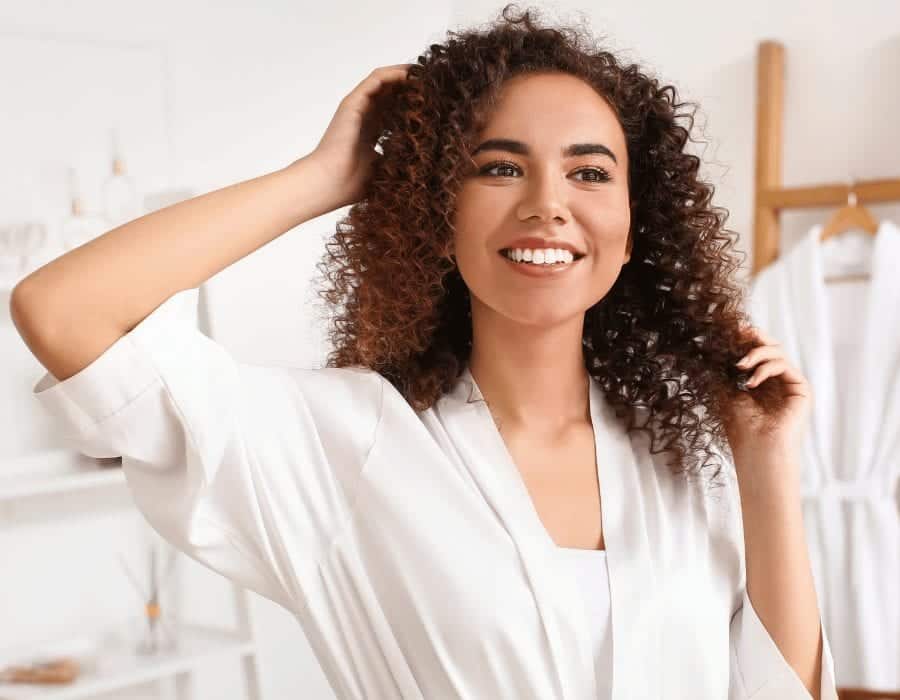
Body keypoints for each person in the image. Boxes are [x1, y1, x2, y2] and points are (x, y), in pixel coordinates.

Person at [12, 5, 838, 699]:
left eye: (589, 174)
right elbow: (62, 310)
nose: (548, 205)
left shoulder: (684, 455)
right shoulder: (344, 442)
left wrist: (766, 465)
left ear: (635, 230)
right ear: (435, 214)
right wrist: (325, 176)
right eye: (499, 168)